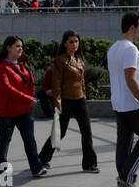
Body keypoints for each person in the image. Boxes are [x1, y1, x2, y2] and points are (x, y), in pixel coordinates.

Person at [38, 30, 98, 172]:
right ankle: (42, 158)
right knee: (60, 132)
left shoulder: (79, 59)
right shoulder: (60, 60)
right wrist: (57, 102)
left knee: (87, 131)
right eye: (71, 42)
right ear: (65, 44)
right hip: (64, 100)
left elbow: (81, 80)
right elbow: (56, 83)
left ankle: (89, 164)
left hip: (80, 99)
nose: (74, 44)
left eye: (76, 41)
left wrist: (84, 95)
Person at [108, 13, 139, 187]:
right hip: (132, 104)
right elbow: (130, 79)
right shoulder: (130, 49)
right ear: (132, 28)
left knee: (124, 144)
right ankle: (126, 177)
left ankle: (123, 182)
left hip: (119, 103)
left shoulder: (113, 49)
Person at [0, 35, 45, 179]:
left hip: (24, 109)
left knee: (29, 139)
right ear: (8, 47)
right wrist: (28, 98)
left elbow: (30, 84)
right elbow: (7, 88)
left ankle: (37, 168)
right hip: (6, 110)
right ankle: (0, 166)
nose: (20, 49)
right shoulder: (1, 67)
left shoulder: (23, 64)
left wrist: (31, 97)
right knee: (5, 138)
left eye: (21, 46)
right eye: (17, 46)